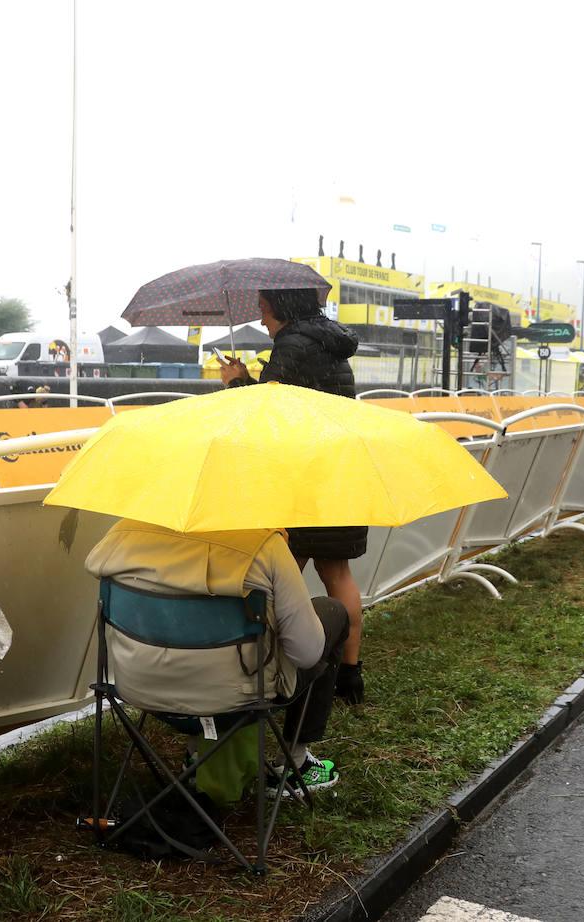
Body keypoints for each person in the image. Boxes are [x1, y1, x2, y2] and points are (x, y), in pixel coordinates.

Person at [85, 519, 349, 795]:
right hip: (238, 700)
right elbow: (306, 654)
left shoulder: (122, 535)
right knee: (332, 612)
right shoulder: (266, 548)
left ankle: (196, 756)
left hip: (140, 689)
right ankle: (295, 763)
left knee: (181, 630)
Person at [219, 289, 368, 705]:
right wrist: (251, 379)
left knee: (283, 572)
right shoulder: (329, 340)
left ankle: (275, 666)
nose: (262, 320)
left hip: (305, 477)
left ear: (281, 309)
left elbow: (268, 415)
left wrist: (235, 385)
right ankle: (349, 673)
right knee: (337, 574)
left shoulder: (292, 343)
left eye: (264, 310)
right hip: (340, 470)